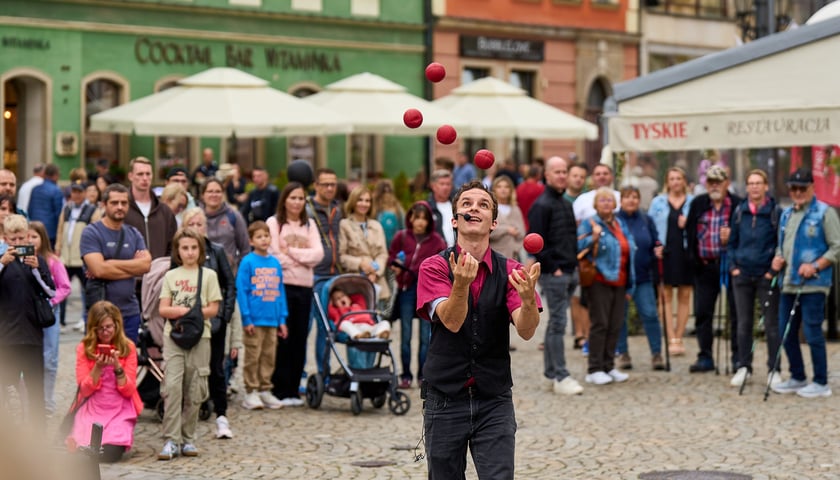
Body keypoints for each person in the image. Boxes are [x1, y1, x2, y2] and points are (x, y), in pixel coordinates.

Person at [417, 180, 541, 479]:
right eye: (467, 204)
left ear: (494, 222)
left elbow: (526, 330)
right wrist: (460, 285)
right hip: (445, 396)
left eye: (483, 204)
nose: (475, 208)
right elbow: (452, 321)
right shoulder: (433, 266)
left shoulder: (511, 270)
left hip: (493, 398)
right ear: (455, 218)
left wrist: (527, 302)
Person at [770, 168, 840, 398]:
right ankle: (797, 376)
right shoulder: (787, 214)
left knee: (811, 332)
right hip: (789, 282)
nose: (798, 192)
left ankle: (821, 382)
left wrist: (816, 265)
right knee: (785, 332)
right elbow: (783, 243)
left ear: (812, 188)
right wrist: (779, 257)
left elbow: (836, 248)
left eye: (802, 188)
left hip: (814, 283)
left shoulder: (824, 213)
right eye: (794, 188)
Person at [157, 228, 222, 460]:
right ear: (177, 251)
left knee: (195, 388)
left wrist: (192, 315)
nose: (190, 252)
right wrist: (188, 312)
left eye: (194, 247)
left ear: (201, 250)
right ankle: (170, 439)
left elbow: (213, 308)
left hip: (200, 337)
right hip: (174, 336)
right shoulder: (171, 276)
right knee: (172, 388)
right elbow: (163, 308)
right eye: (185, 248)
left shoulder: (209, 276)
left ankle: (188, 437)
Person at [527, 156, 584, 395]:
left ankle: (551, 373)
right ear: (547, 175)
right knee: (559, 324)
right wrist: (553, 268)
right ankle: (561, 375)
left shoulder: (565, 202)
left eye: (564, 171)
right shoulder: (541, 205)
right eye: (557, 172)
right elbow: (536, 242)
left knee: (556, 324)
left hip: (570, 270)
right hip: (555, 273)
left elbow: (569, 236)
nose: (562, 175)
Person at [181, 208, 238, 438]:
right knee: (189, 370)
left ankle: (221, 417)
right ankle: (187, 419)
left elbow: (230, 285)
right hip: (188, 322)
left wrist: (224, 316)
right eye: (191, 224)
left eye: (200, 224)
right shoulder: (179, 252)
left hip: (214, 321)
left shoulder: (217, 251)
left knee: (216, 369)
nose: (196, 228)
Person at [267, 183, 323, 407]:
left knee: (300, 337)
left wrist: (290, 252)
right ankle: (279, 388)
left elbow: (318, 254)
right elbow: (274, 255)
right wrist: (300, 259)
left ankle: (292, 389)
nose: (297, 202)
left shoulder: (309, 225)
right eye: (293, 198)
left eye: (301, 198)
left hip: (304, 287)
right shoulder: (275, 223)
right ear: (285, 200)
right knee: (284, 338)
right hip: (283, 287)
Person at [65, 300, 143, 462]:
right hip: (92, 405)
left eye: (108, 327)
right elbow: (84, 390)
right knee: (83, 450)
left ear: (116, 325)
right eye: (100, 328)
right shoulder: (84, 348)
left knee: (110, 453)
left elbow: (129, 390)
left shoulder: (128, 347)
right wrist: (98, 368)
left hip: (120, 407)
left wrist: (116, 366)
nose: (105, 332)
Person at [727, 169, 782, 388]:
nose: (755, 187)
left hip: (766, 275)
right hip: (742, 275)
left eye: (759, 183)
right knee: (743, 324)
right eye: (751, 183)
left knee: (771, 325)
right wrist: (733, 267)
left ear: (766, 186)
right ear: (747, 187)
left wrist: (772, 271)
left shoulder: (774, 212)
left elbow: (781, 242)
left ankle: (774, 369)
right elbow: (731, 243)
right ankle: (744, 366)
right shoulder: (740, 212)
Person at [0, 214, 56, 429]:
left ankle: (38, 434)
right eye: (13, 240)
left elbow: (51, 291)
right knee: (6, 388)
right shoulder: (2, 259)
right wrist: (2, 264)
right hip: (6, 337)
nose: (18, 244)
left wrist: (35, 270)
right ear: (5, 239)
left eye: (22, 239)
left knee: (35, 388)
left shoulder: (37, 261)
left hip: (32, 334)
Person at [685, 165, 742, 373]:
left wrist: (732, 235)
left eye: (719, 181)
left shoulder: (737, 204)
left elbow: (746, 233)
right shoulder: (699, 204)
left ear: (727, 182)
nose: (715, 185)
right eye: (711, 182)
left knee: (736, 313)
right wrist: (693, 260)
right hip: (705, 266)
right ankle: (705, 356)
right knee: (703, 312)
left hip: (731, 265)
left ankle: (738, 356)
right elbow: (690, 233)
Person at [577, 188, 635, 385]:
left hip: (620, 280)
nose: (606, 203)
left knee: (615, 324)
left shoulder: (619, 223)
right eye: (602, 200)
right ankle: (595, 368)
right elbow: (578, 246)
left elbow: (628, 247)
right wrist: (592, 238)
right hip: (599, 280)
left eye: (609, 200)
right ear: (596, 204)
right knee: (600, 324)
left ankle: (609, 366)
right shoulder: (590, 222)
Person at [81, 184, 151, 341]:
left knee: (128, 363)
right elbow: (99, 270)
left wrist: (109, 263)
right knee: (102, 362)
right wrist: (133, 266)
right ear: (104, 205)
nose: (120, 207)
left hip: (130, 312)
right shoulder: (92, 232)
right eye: (114, 203)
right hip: (100, 315)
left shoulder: (133, 233)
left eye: (124, 203)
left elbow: (146, 265)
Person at [388, 201, 446, 389]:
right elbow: (391, 258)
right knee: (405, 335)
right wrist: (396, 265)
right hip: (407, 289)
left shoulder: (437, 241)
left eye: (424, 218)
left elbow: (443, 264)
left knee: (425, 336)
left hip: (427, 292)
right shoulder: (402, 236)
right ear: (410, 218)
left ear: (429, 221)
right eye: (416, 217)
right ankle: (405, 374)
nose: (420, 222)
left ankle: (423, 374)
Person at [236, 221, 289, 411]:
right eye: (259, 236)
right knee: (253, 355)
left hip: (272, 319)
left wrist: (282, 318)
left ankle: (265, 388)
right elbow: (242, 291)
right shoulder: (247, 262)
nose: (264, 239)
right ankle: (251, 391)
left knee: (269, 355)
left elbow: (280, 291)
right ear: (251, 241)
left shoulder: (275, 263)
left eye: (266, 236)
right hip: (255, 320)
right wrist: (246, 318)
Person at [615, 187, 665, 371]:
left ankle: (657, 353)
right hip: (621, 278)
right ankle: (623, 353)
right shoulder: (615, 221)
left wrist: (658, 249)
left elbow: (655, 241)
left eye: (635, 197)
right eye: (627, 197)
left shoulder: (646, 219)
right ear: (621, 200)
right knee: (620, 317)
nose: (631, 200)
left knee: (650, 314)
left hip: (643, 276)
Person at [647, 167, 694, 356]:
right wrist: (653, 247)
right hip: (665, 253)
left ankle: (679, 337)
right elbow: (649, 227)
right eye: (672, 178)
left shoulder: (693, 202)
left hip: (685, 253)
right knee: (664, 296)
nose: (675, 182)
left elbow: (700, 226)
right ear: (667, 181)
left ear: (684, 181)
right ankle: (670, 336)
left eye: (679, 178)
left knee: (684, 296)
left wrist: (688, 224)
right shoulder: (658, 202)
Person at [27, 220, 71, 415]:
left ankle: (48, 401)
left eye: (34, 237)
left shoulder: (52, 261)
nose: (30, 241)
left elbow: (65, 287)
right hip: (28, 315)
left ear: (42, 239)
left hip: (49, 312)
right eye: (27, 237)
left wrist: (51, 303)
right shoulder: (19, 260)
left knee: (49, 359)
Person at [307, 168, 342, 376]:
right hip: (314, 275)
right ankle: (303, 374)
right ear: (316, 186)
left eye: (333, 184)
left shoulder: (338, 209)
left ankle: (324, 373)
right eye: (325, 184)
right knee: (309, 327)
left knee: (327, 328)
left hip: (335, 275)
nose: (330, 188)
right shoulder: (307, 210)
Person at [55, 181, 99, 331]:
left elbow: (95, 233)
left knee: (87, 291)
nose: (76, 195)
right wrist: (58, 248)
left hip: (82, 259)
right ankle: (60, 321)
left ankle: (85, 320)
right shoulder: (67, 209)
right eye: (74, 191)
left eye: (79, 192)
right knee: (61, 290)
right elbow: (60, 230)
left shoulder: (92, 210)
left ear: (85, 193)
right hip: (66, 259)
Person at [339, 185, 390, 306]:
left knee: (380, 321)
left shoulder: (376, 225)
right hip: (355, 283)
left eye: (367, 201)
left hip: (377, 283)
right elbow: (341, 256)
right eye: (360, 200)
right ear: (353, 201)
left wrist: (375, 273)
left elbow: (383, 254)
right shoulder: (344, 225)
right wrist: (360, 264)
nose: (364, 204)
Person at [124, 156, 178, 259]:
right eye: (140, 174)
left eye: (148, 174)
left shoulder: (164, 211)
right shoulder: (122, 208)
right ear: (130, 176)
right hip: (130, 270)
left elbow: (173, 244)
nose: (145, 178)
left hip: (160, 272)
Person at [201, 178, 250, 272]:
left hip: (229, 274)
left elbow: (245, 249)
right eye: (210, 191)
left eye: (218, 191)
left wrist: (239, 271)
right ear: (202, 195)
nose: (214, 195)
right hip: (203, 274)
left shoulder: (234, 215)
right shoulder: (196, 216)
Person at [489, 175, 525, 260]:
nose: (503, 189)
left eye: (506, 187)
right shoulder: (491, 208)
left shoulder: (515, 209)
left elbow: (522, 232)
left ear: (511, 190)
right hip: (494, 255)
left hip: (513, 256)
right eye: (499, 187)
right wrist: (507, 229)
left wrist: (515, 248)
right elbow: (488, 231)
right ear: (494, 190)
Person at [28, 163, 64, 247]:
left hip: (35, 228)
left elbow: (30, 209)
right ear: (55, 175)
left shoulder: (35, 189)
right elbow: (58, 213)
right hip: (50, 231)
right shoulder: (56, 191)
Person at [372, 179, 404, 250]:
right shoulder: (374, 209)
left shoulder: (398, 209)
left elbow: (403, 229)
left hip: (395, 249)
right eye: (384, 191)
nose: (387, 194)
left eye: (389, 191)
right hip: (378, 248)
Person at [427, 169, 455, 247]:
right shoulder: (428, 208)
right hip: (437, 254)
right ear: (433, 186)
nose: (445, 187)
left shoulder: (457, 206)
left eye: (448, 184)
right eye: (442, 184)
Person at [515, 164, 544, 231]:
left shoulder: (519, 187)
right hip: (536, 223)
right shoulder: (541, 189)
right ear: (537, 174)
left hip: (522, 223)